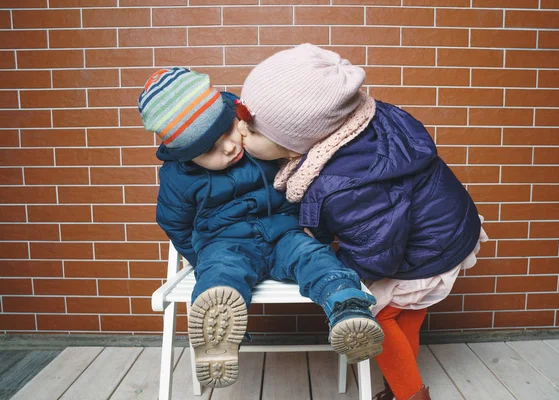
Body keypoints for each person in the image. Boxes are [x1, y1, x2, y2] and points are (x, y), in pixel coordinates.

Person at [238, 44, 488, 400]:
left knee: (380, 317)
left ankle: (409, 395)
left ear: (294, 145)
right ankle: (402, 385)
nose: (241, 131)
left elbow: (377, 254)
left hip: (430, 247)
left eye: (253, 128)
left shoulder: (346, 184)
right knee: (406, 318)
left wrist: (334, 266)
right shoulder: (361, 120)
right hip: (450, 223)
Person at [138, 67, 384, 389]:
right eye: (209, 150)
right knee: (220, 271)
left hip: (285, 232)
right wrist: (200, 258)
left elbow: (304, 178)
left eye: (227, 132)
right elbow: (174, 223)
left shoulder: (262, 134)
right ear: (186, 156)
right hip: (226, 242)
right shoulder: (178, 177)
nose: (227, 147)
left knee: (314, 256)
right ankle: (220, 326)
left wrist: (317, 232)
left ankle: (347, 307)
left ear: (234, 116)